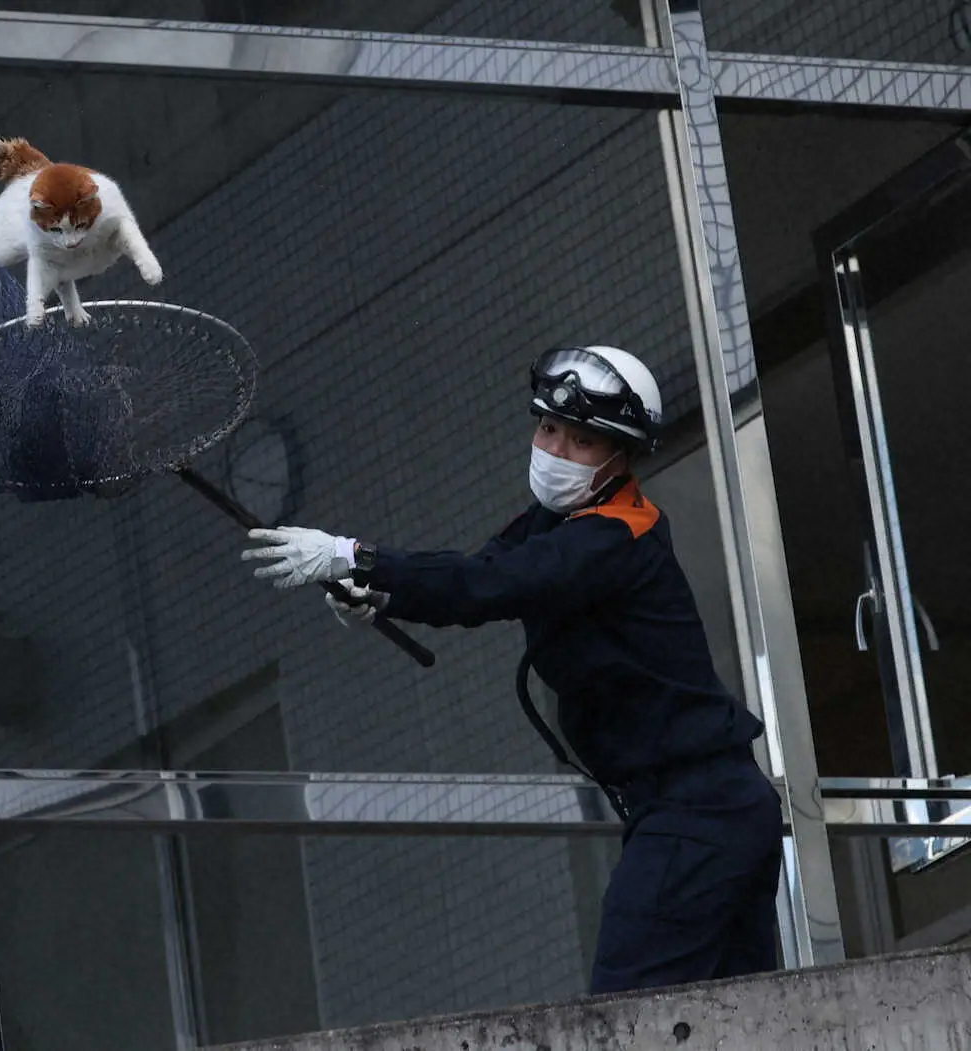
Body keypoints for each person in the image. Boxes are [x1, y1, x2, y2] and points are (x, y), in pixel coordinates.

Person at [240, 344, 784, 996]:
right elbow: (475, 579)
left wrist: (351, 554)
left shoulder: (613, 535)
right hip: (705, 809)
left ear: (621, 455)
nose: (554, 447)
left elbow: (491, 583)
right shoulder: (557, 523)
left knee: (629, 1014)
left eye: (579, 439)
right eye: (548, 427)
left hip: (696, 811)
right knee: (747, 1016)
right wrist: (379, 594)